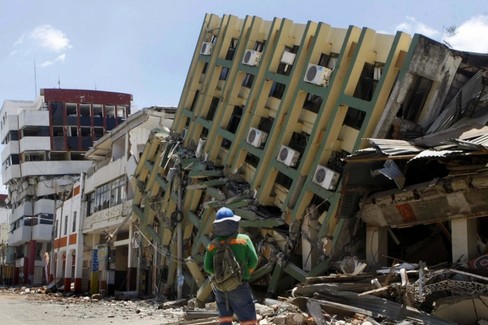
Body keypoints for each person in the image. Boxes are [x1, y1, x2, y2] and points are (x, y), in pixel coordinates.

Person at [204, 207, 259, 325]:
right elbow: (254, 260)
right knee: (248, 320)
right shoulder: (244, 240)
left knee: (224, 320)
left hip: (220, 288)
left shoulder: (212, 245)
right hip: (239, 285)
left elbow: (207, 267)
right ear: (234, 223)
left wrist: (222, 275)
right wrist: (245, 273)